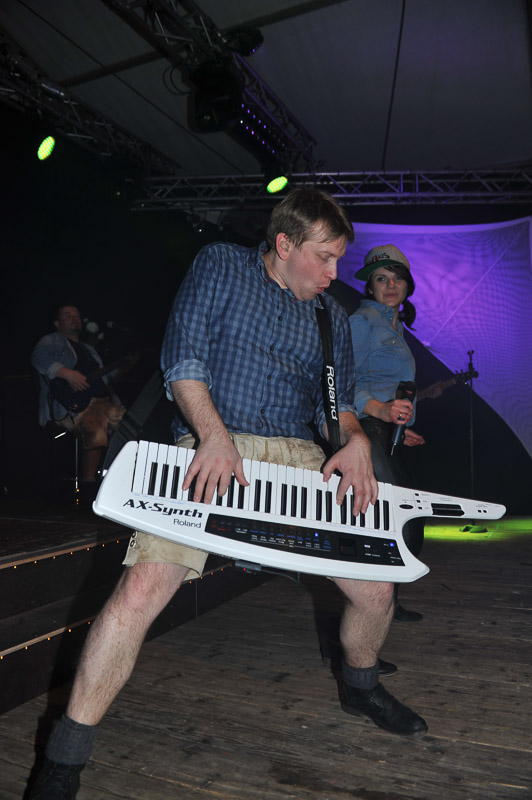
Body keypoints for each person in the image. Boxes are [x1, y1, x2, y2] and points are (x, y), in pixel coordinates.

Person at [28, 191, 427, 800]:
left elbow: (338, 404)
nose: (333, 274)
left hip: (295, 455)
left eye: (339, 261)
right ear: (284, 244)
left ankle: (361, 684)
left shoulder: (328, 315)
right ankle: (64, 760)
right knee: (142, 588)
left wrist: (352, 441)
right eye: (324, 258)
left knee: (375, 588)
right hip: (212, 438)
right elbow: (183, 358)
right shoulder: (220, 264)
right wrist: (212, 437)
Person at [349, 244, 425, 622]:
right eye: (381, 278)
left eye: (397, 278)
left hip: (387, 432)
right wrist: (379, 410)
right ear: (370, 287)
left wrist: (401, 425)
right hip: (364, 429)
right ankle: (370, 609)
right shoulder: (363, 321)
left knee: (406, 518)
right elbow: (337, 382)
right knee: (392, 519)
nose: (390, 285)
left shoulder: (396, 328)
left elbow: (392, 386)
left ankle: (386, 603)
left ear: (407, 286)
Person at [31, 305, 126, 498]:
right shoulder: (51, 340)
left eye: (77, 316)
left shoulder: (89, 349)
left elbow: (105, 379)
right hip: (70, 407)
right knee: (96, 421)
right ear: (57, 323)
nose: (75, 318)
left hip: (104, 402)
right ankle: (88, 486)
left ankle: (120, 482)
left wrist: (126, 366)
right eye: (68, 316)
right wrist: (66, 373)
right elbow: (38, 358)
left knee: (131, 427)